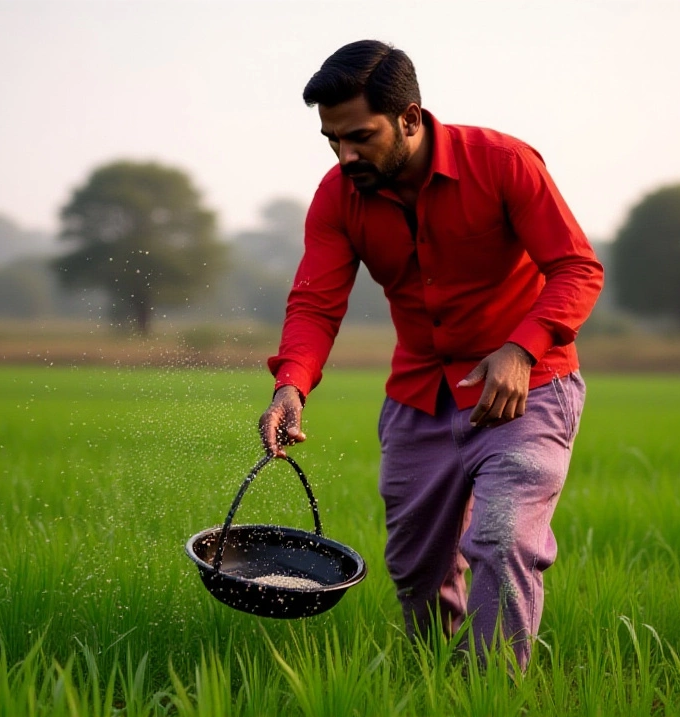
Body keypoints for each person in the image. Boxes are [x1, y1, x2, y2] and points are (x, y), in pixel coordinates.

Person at [258, 39, 603, 669]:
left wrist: (520, 350)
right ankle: (431, 681)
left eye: (359, 136)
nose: (346, 154)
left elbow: (577, 269)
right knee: (417, 568)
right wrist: (292, 385)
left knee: (501, 539)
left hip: (528, 391)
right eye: (332, 140)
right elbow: (315, 303)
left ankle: (490, 694)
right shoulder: (339, 195)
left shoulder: (502, 163)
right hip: (419, 395)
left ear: (411, 118)